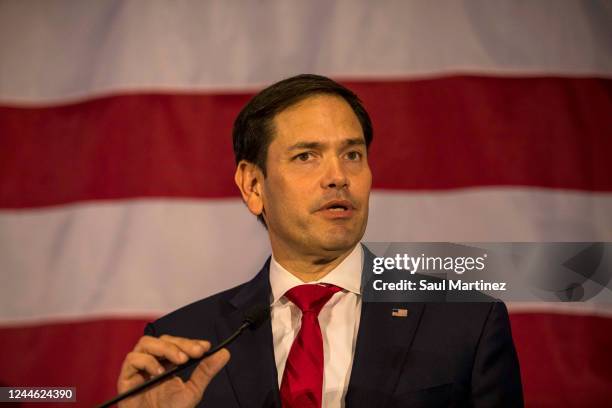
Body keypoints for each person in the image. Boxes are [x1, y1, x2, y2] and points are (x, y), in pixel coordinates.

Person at [116, 74, 523, 407]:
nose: (338, 177)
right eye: (306, 156)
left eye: (352, 155)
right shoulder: (181, 347)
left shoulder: (465, 322)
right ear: (253, 185)